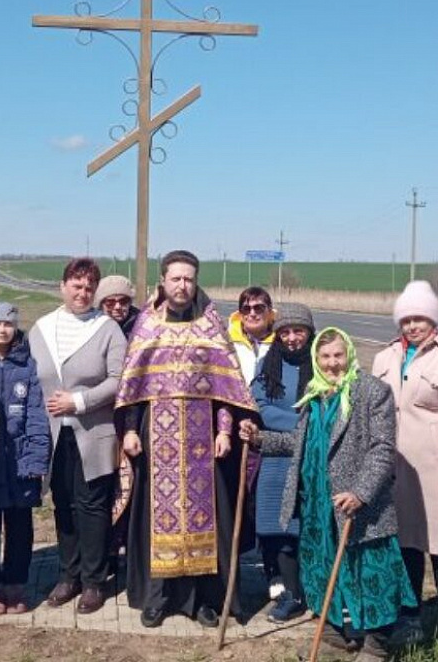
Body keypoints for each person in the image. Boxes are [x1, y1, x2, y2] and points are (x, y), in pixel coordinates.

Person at [241, 328, 416, 661]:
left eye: (338, 355)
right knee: (322, 568)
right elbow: (300, 442)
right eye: (325, 357)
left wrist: (361, 492)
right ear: (316, 361)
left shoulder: (371, 391)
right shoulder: (315, 393)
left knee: (370, 573)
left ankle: (376, 644)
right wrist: (260, 439)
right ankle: (336, 632)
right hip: (318, 503)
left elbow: (382, 448)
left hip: (358, 505)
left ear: (348, 354)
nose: (333, 363)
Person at [117, 250, 259, 629]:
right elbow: (134, 385)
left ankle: (203, 601)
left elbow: (225, 388)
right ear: (162, 281)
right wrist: (130, 428)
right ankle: (158, 597)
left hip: (202, 435)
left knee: (205, 516)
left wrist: (225, 430)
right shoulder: (147, 324)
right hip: (156, 432)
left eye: (189, 279)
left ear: (195, 282)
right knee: (157, 515)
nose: (182, 285)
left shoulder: (210, 325)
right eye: (176, 278)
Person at [371, 280, 438, 650]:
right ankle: (411, 616)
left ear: (433, 320)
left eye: (420, 319)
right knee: (406, 543)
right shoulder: (384, 358)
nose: (413, 326)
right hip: (395, 472)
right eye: (406, 319)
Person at [29, 257, 127, 615]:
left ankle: (94, 581)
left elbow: (119, 380)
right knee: (64, 505)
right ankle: (67, 575)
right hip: (53, 435)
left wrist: (79, 401)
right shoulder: (41, 328)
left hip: (93, 434)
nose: (83, 292)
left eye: (89, 287)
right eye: (77, 285)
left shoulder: (107, 329)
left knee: (93, 507)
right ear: (63, 286)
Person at [0, 301, 50, 616]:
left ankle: (17, 584)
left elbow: (36, 414)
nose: (3, 330)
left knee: (20, 527)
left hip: (21, 461)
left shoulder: (28, 366)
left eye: (8, 324)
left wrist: (35, 461)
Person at [248, 302, 315, 623]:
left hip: (310, 459)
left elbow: (323, 408)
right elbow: (259, 404)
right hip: (274, 459)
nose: (291, 338)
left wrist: (302, 427)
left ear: (309, 333)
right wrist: (298, 424)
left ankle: (310, 589)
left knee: (305, 528)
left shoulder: (320, 363)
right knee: (278, 529)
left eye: (298, 331)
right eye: (285, 331)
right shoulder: (267, 365)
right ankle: (290, 593)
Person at [229, 286, 275, 384]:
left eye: (258, 308)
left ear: (270, 311)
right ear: (240, 314)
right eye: (246, 309)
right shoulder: (226, 342)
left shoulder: (282, 341)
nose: (252, 313)